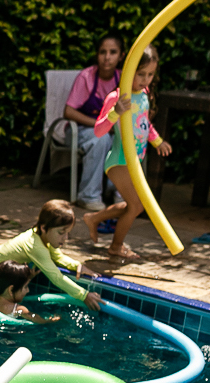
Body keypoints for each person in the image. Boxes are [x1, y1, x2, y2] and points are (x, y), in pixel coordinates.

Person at [82, 46, 173, 261]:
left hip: (133, 162)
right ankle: (116, 247)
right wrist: (116, 112)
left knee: (134, 204)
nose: (145, 79)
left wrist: (157, 141)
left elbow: (143, 123)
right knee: (137, 206)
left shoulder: (143, 95)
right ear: (128, 70)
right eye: (140, 74)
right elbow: (99, 130)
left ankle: (95, 218)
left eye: (150, 74)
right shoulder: (117, 98)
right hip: (119, 160)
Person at [0, 200, 103, 313]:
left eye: (68, 233)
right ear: (43, 227)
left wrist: (77, 266)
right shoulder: (35, 246)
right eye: (61, 233)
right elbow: (56, 277)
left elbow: (57, 256)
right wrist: (84, 295)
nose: (65, 238)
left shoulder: (40, 236)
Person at [63, 34, 125, 212]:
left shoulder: (122, 79)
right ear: (97, 55)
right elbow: (68, 111)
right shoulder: (86, 77)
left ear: (121, 56)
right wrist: (100, 125)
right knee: (101, 139)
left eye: (113, 52)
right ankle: (88, 195)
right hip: (79, 131)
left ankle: (119, 193)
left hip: (109, 130)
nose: (107, 57)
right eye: (102, 52)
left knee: (124, 139)